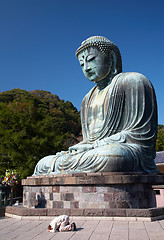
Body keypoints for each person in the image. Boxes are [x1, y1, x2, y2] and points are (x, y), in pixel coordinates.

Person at [33, 36, 158, 175]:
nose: (86, 68)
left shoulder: (134, 81)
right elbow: (88, 140)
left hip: (125, 152)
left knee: (112, 157)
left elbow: (140, 135)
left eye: (91, 60)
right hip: (93, 152)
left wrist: (95, 145)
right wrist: (80, 148)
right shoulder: (87, 99)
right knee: (43, 163)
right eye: (81, 64)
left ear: (111, 58)